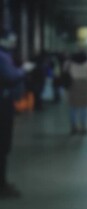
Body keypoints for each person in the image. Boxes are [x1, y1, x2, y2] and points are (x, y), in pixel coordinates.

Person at [0, 31, 25, 198]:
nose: (14, 43)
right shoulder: (2, 57)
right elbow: (10, 76)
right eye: (12, 40)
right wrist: (23, 70)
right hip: (3, 104)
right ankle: (2, 185)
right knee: (2, 145)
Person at [63, 50, 87, 135]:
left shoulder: (68, 63)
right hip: (85, 85)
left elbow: (65, 72)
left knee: (73, 106)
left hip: (73, 85)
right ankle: (83, 126)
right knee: (84, 106)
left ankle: (73, 126)